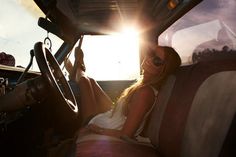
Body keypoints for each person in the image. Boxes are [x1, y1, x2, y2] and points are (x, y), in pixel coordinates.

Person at [64, 45, 181, 140]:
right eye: (151, 53)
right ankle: (79, 71)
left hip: (102, 124)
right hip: (111, 116)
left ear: (163, 70)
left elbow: (125, 134)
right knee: (92, 81)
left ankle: (78, 70)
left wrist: (91, 129)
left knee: (84, 81)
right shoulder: (142, 85)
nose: (149, 59)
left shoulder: (145, 93)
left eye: (156, 60)